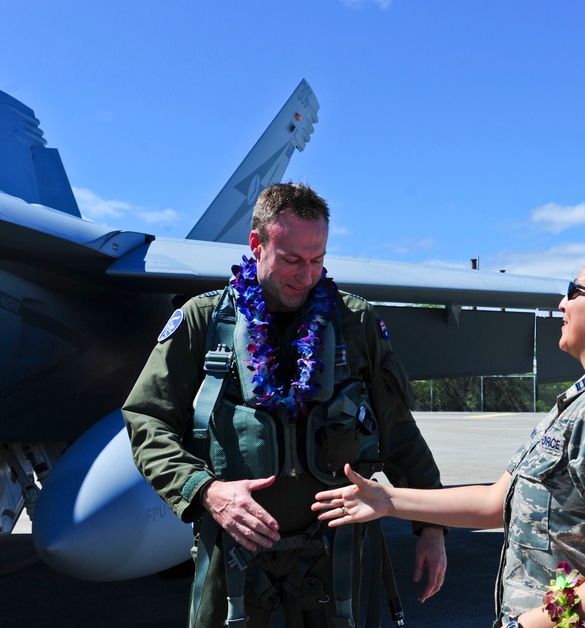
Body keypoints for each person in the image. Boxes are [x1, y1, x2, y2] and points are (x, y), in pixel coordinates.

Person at [122, 182, 447, 628]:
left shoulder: (355, 323)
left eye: (317, 260)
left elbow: (398, 430)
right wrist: (205, 490)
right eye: (292, 259)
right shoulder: (204, 321)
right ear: (257, 244)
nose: (306, 274)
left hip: (336, 550)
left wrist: (432, 525)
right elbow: (147, 420)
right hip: (234, 544)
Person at [314, 249, 585, 628]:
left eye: (573, 291)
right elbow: (497, 501)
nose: (562, 304)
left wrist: (527, 626)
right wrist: (388, 499)